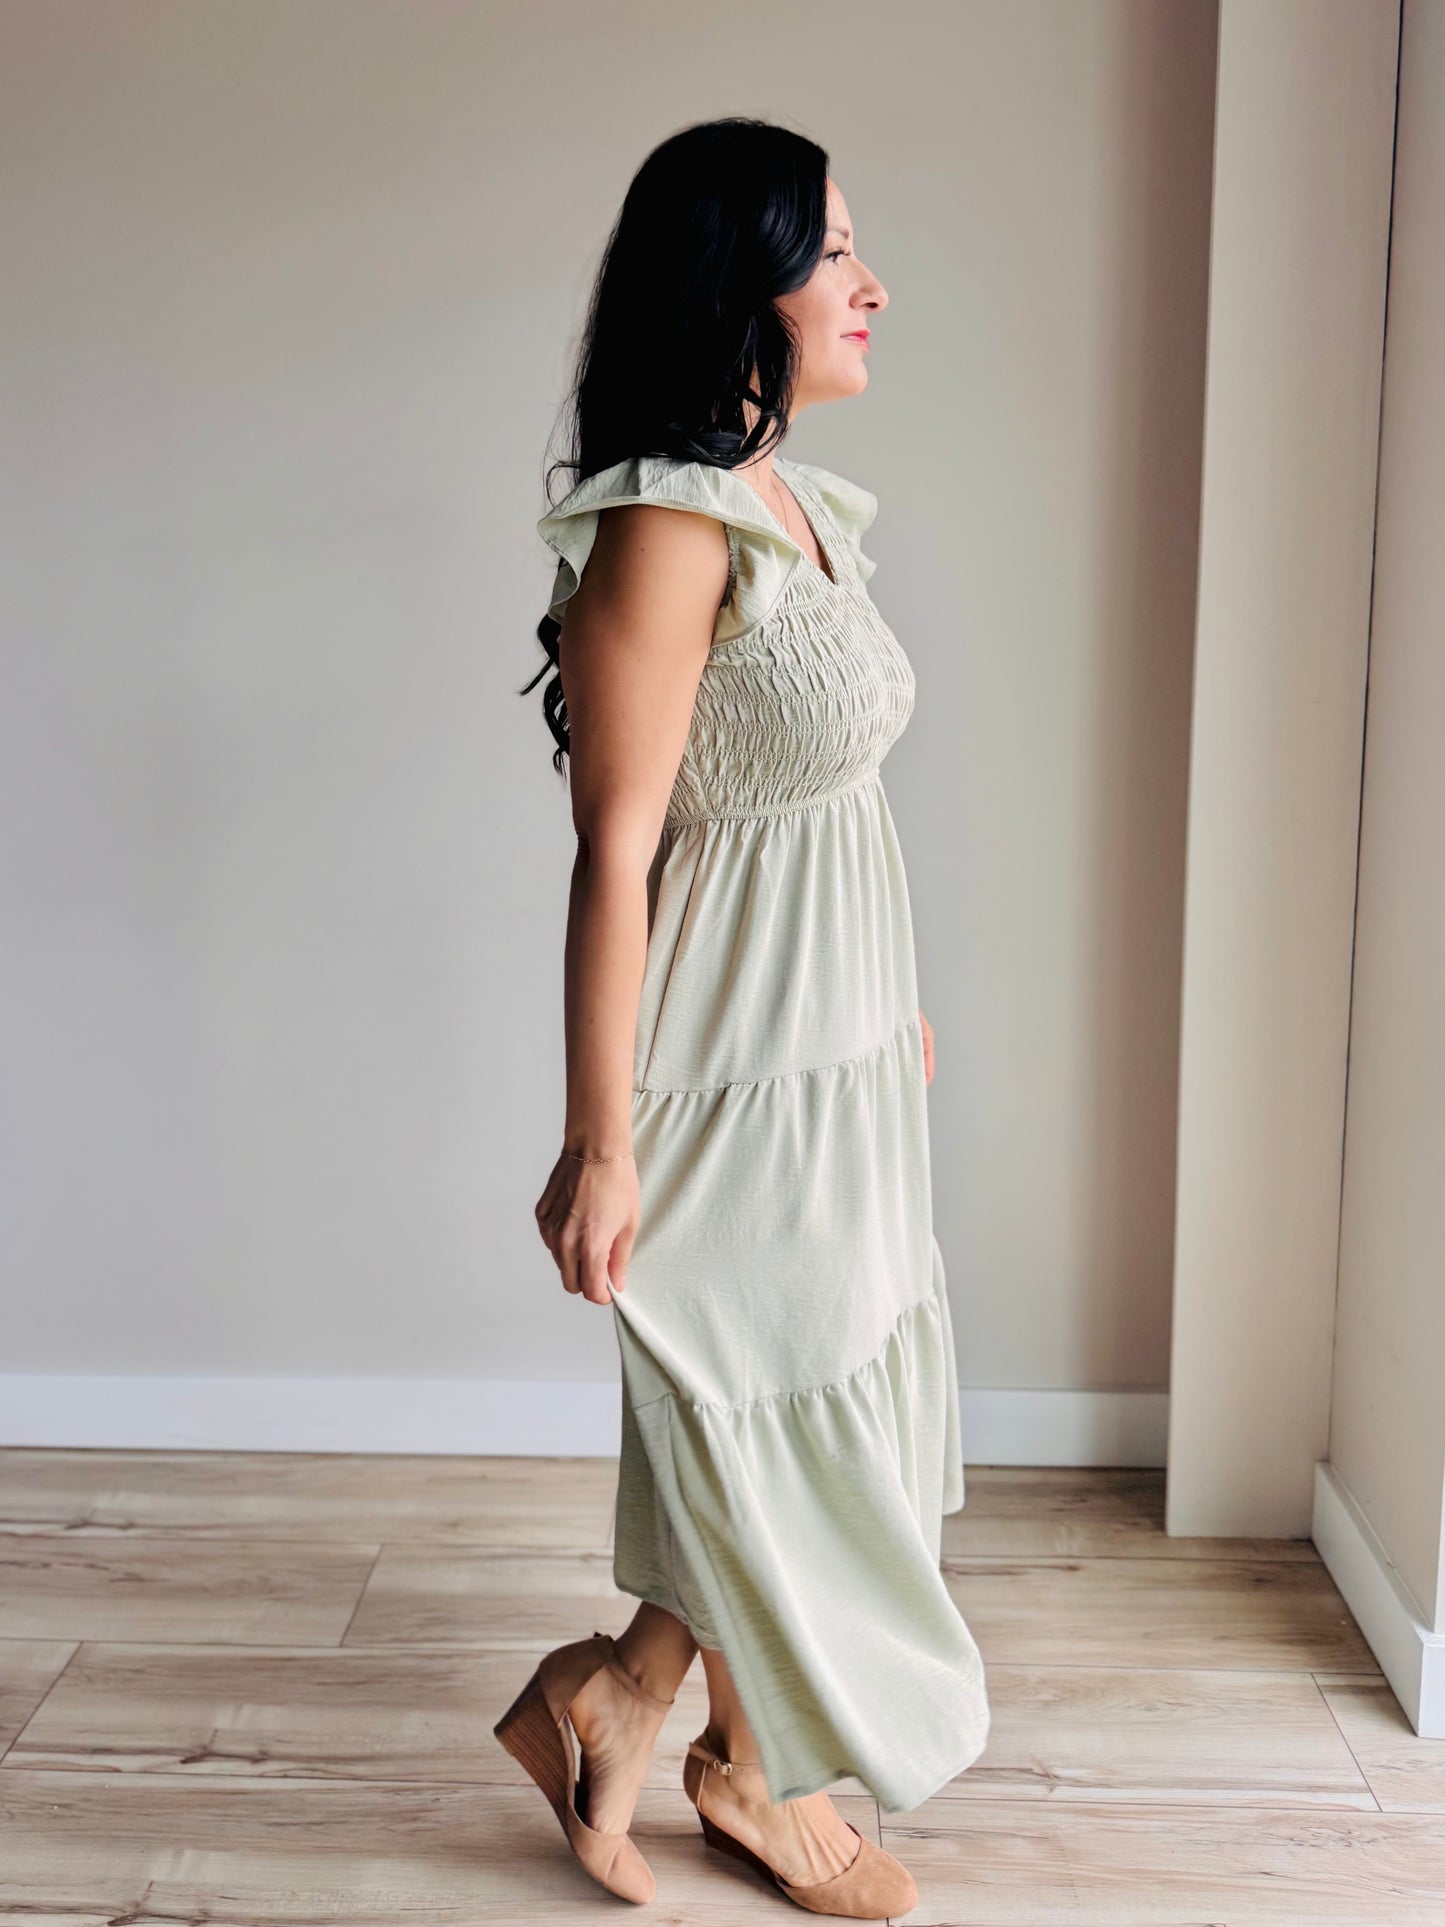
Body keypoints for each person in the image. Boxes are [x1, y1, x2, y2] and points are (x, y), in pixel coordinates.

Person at [494, 117, 990, 1916]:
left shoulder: (791, 500)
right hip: (728, 1064)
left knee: (838, 1402)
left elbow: (824, 798)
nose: (870, 286)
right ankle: (740, 1769)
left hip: (836, 1045)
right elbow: (617, 851)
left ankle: (628, 1706)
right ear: (735, 288)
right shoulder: (664, 525)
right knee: (770, 1408)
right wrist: (600, 1141)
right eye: (831, 251)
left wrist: (889, 1011)